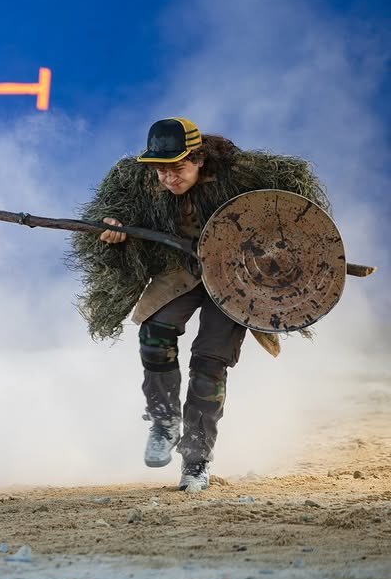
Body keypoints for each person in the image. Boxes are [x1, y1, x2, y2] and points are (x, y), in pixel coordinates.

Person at [68, 117, 328, 491]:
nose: (168, 178)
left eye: (177, 168)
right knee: (154, 335)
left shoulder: (242, 174)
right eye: (161, 170)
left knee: (209, 363)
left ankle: (196, 460)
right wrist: (111, 224)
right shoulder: (138, 180)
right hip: (182, 271)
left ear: (199, 159)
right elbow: (111, 210)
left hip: (236, 278)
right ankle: (163, 421)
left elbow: (293, 207)